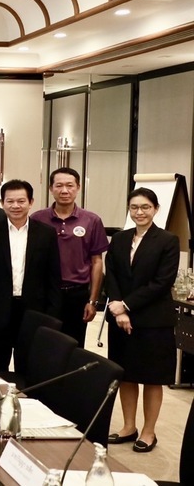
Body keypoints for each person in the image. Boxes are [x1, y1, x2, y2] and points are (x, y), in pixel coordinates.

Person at [104, 188, 179, 453]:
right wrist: (118, 309)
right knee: (126, 374)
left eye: (145, 207)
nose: (139, 212)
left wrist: (126, 305)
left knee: (152, 377)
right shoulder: (120, 239)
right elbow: (111, 274)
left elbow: (161, 282)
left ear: (156, 209)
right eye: (134, 207)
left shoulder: (168, 240)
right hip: (120, 320)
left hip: (153, 321)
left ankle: (149, 432)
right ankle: (128, 426)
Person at [0, 180, 62, 373]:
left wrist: (51, 314)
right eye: (10, 201)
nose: (15, 206)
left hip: (33, 311)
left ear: (31, 202)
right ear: (2, 203)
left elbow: (53, 277)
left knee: (29, 365)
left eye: (21, 201)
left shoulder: (46, 233)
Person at [30, 167, 108, 346]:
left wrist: (93, 300)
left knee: (74, 344)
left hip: (77, 294)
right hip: (45, 293)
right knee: (44, 343)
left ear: (78, 187)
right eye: (59, 185)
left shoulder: (92, 220)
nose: (64, 190)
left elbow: (97, 262)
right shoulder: (37, 219)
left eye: (70, 185)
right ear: (51, 188)